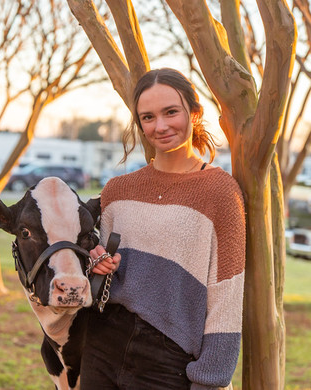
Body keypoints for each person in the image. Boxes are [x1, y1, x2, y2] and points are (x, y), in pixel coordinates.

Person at [83, 68, 246, 390]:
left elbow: (227, 295)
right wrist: (98, 267)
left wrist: (210, 380)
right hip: (101, 345)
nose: (160, 126)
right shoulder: (116, 191)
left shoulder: (221, 192)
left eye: (171, 112)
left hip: (171, 358)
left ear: (195, 113)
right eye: (148, 117)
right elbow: (93, 282)